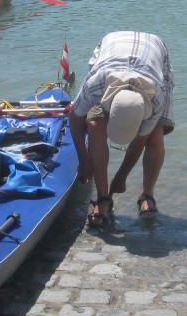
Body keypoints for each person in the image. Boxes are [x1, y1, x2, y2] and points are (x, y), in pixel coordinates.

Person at [68, 31, 174, 228]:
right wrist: (84, 160)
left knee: (155, 137)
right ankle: (102, 199)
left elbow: (140, 140)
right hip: (112, 51)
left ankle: (147, 194)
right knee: (94, 125)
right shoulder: (96, 85)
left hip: (154, 55)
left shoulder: (156, 97)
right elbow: (74, 118)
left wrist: (121, 177)